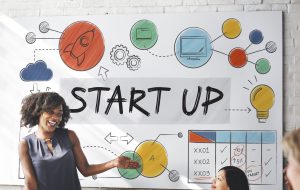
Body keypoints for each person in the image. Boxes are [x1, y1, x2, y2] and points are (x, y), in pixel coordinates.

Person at [19, 92, 139, 190]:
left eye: (59, 114)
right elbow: (30, 183)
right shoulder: (25, 144)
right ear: (38, 112)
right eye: (50, 112)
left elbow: (85, 170)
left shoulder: (69, 136)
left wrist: (114, 163)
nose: (55, 118)